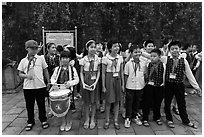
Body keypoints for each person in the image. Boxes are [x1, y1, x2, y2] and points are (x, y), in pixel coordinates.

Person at [163, 41, 201, 128]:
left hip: (179, 85)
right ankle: (169, 119)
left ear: (180, 49)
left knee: (181, 103)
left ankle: (185, 120)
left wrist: (196, 87)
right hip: (168, 84)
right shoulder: (166, 59)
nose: (174, 50)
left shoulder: (183, 61)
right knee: (167, 102)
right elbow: (153, 57)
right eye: (172, 49)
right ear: (169, 50)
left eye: (176, 48)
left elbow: (189, 74)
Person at [17, 40, 50, 131]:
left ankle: (43, 119)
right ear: (27, 48)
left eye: (36, 48)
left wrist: (48, 81)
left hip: (40, 85)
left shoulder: (40, 58)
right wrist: (26, 76)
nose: (34, 50)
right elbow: (20, 73)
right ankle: (30, 121)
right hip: (28, 87)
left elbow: (45, 70)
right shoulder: (23, 61)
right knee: (29, 105)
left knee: (41, 104)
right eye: (32, 48)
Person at [50, 50, 79, 131]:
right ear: (60, 59)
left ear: (69, 59)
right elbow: (52, 78)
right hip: (60, 91)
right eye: (63, 58)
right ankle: (63, 122)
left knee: (69, 108)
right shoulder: (57, 69)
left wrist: (70, 83)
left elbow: (77, 79)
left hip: (69, 92)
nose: (64, 60)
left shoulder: (73, 69)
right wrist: (54, 83)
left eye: (66, 58)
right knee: (61, 108)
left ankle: (69, 122)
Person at [102, 39, 124, 130]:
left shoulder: (120, 58)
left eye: (118, 46)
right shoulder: (105, 58)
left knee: (117, 100)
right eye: (114, 46)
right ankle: (107, 120)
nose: (117, 48)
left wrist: (123, 84)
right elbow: (103, 73)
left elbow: (121, 72)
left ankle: (115, 120)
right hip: (109, 79)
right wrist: (103, 86)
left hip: (117, 79)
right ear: (110, 48)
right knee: (108, 101)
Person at [124, 45, 147, 128]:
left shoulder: (143, 63)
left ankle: (135, 116)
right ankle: (128, 117)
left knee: (137, 102)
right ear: (131, 53)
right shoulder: (128, 64)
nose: (137, 54)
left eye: (139, 52)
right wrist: (124, 86)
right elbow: (126, 75)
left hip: (140, 86)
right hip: (130, 86)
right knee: (129, 103)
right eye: (135, 52)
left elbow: (144, 74)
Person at [79, 40, 101, 129]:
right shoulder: (83, 60)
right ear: (87, 48)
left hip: (94, 81)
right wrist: (83, 83)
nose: (93, 49)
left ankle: (93, 119)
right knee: (86, 102)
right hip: (86, 81)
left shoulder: (98, 59)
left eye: (94, 47)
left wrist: (95, 83)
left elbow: (99, 71)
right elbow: (81, 72)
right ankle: (87, 118)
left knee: (94, 101)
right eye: (91, 47)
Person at [142, 48, 165, 127]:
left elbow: (164, 75)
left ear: (159, 57)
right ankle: (145, 118)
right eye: (151, 56)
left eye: (154, 56)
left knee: (157, 103)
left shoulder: (163, 65)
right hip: (149, 86)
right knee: (147, 103)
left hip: (159, 86)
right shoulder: (148, 64)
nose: (152, 58)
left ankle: (157, 117)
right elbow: (145, 74)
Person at [96, 42, 105, 113]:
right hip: (95, 74)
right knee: (96, 89)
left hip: (103, 74)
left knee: (103, 89)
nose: (99, 46)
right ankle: (97, 103)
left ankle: (103, 105)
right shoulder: (93, 55)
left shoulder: (105, 54)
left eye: (100, 45)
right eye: (97, 45)